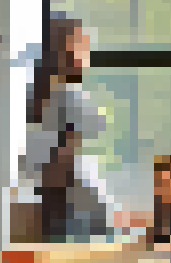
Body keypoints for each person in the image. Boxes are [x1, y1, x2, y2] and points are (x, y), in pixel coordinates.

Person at [20, 18, 116, 243]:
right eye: (82, 45)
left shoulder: (35, 96)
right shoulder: (68, 93)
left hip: (50, 200)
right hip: (74, 203)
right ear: (65, 50)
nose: (88, 54)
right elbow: (95, 126)